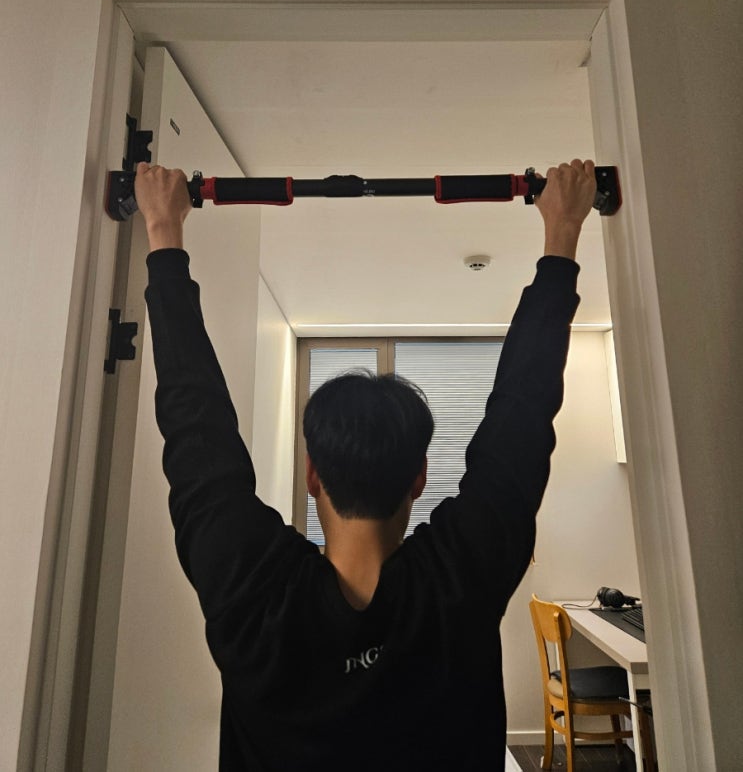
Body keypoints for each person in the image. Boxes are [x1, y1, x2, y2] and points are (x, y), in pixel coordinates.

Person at [135, 158, 597, 771]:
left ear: (312, 476)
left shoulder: (253, 588)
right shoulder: (459, 578)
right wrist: (562, 231)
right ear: (419, 478)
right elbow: (522, 414)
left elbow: (195, 426)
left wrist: (163, 231)